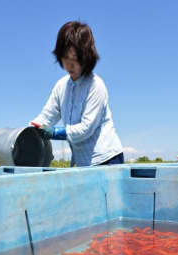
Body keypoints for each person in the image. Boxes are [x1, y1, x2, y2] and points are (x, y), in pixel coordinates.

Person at [31, 21, 124, 167]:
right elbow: (46, 116)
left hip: (107, 159)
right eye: (65, 59)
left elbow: (86, 129)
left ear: (86, 58)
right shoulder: (61, 86)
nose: (69, 65)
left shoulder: (95, 85)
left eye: (74, 60)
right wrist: (31, 130)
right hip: (83, 162)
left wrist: (55, 132)